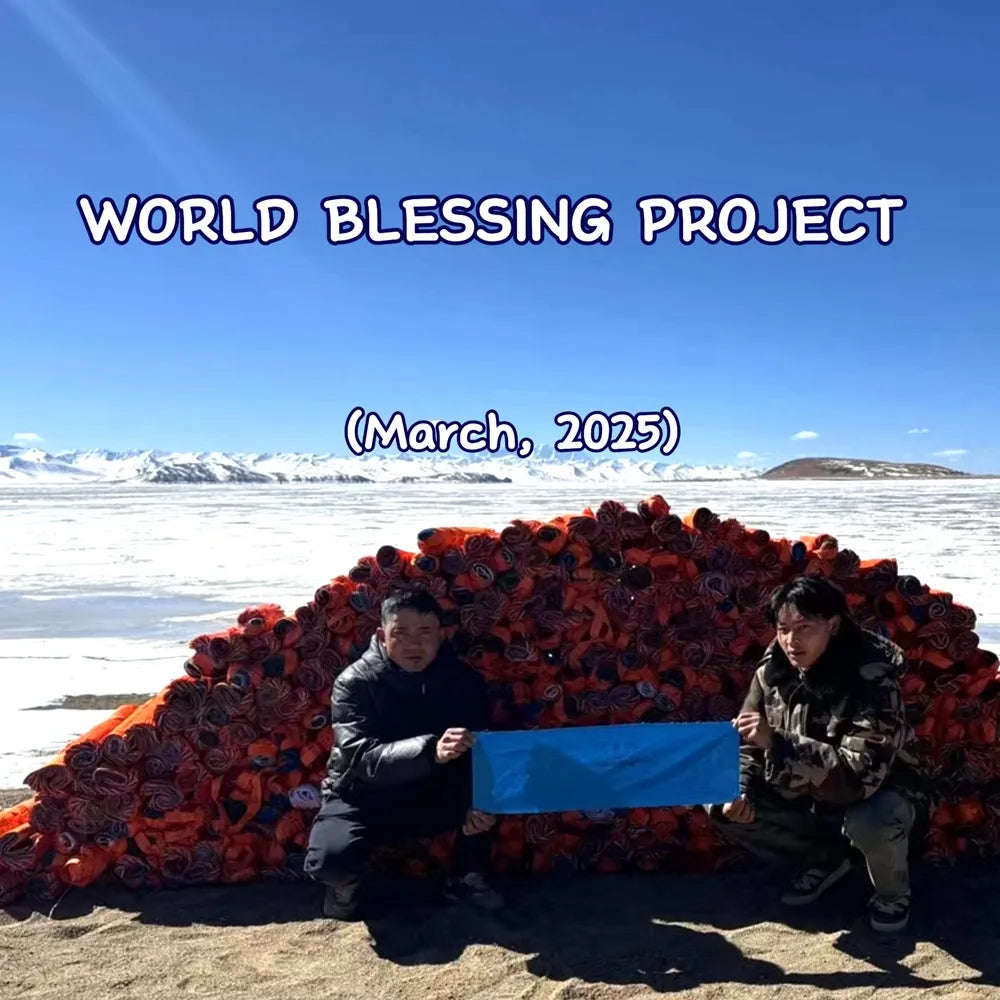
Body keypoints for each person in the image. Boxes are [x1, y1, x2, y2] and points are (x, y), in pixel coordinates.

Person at [709, 575, 927, 933]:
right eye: (783, 629)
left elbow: (860, 777)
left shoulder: (871, 679)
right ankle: (826, 859)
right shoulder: (772, 671)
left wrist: (777, 743)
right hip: (809, 795)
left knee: (872, 819)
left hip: (880, 795)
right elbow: (749, 743)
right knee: (720, 801)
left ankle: (892, 895)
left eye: (805, 627)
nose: (792, 641)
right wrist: (741, 790)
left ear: (834, 624)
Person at [303, 585, 503, 920]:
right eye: (401, 633)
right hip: (363, 795)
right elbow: (360, 757)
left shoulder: (465, 681)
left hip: (431, 792)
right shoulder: (354, 682)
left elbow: (480, 751)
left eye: (425, 632)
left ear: (441, 634)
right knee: (328, 862)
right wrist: (431, 751)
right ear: (382, 635)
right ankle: (345, 888)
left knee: (486, 797)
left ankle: (467, 876)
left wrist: (475, 802)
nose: (414, 644)